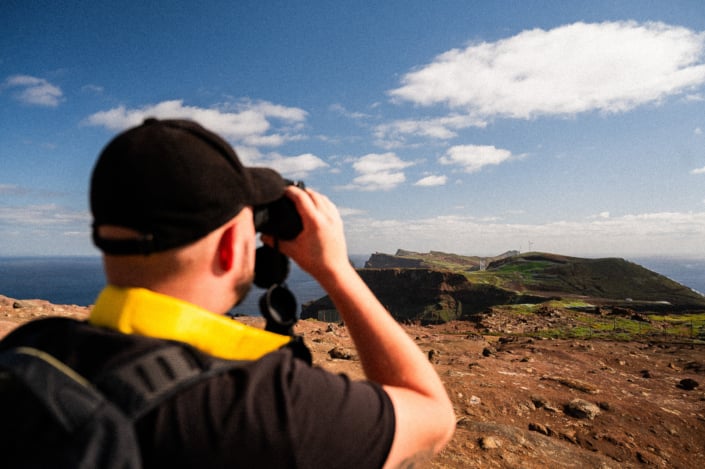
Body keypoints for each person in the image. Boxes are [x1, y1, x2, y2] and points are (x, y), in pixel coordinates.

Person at [1, 118, 455, 468]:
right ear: (229, 245)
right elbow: (434, 419)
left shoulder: (31, 349)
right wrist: (336, 270)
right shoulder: (267, 406)